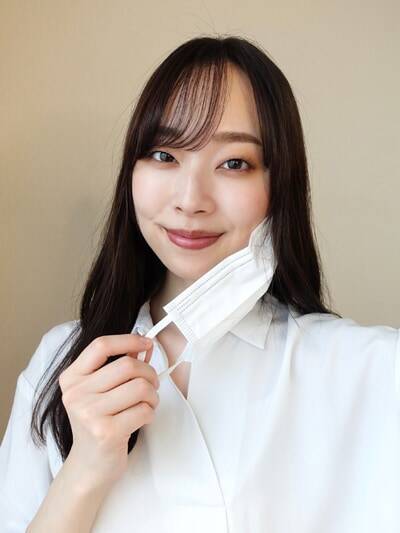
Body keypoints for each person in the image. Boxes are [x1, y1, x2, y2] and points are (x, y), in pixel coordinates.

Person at [1, 34, 399, 533]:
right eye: (164, 155)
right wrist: (84, 471)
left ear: (279, 185)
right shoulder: (60, 363)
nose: (190, 200)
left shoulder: (371, 370)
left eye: (234, 163)